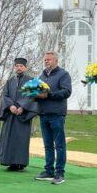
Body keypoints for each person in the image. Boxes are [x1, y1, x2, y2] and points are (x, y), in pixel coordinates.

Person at [0, 58, 38, 171]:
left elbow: (32, 96)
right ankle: (10, 162)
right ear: (15, 67)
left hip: (23, 115)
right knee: (9, 139)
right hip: (11, 114)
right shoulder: (10, 81)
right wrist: (11, 106)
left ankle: (20, 163)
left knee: (21, 139)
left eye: (21, 66)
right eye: (17, 65)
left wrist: (22, 107)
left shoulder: (31, 81)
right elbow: (5, 95)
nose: (19, 68)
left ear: (25, 68)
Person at [34, 51, 72, 185]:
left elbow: (66, 92)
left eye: (49, 60)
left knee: (59, 145)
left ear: (56, 60)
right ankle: (49, 171)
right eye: (45, 60)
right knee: (47, 145)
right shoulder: (42, 76)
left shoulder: (63, 74)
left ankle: (59, 173)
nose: (46, 62)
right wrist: (33, 95)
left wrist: (49, 95)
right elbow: (37, 92)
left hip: (57, 114)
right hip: (43, 113)